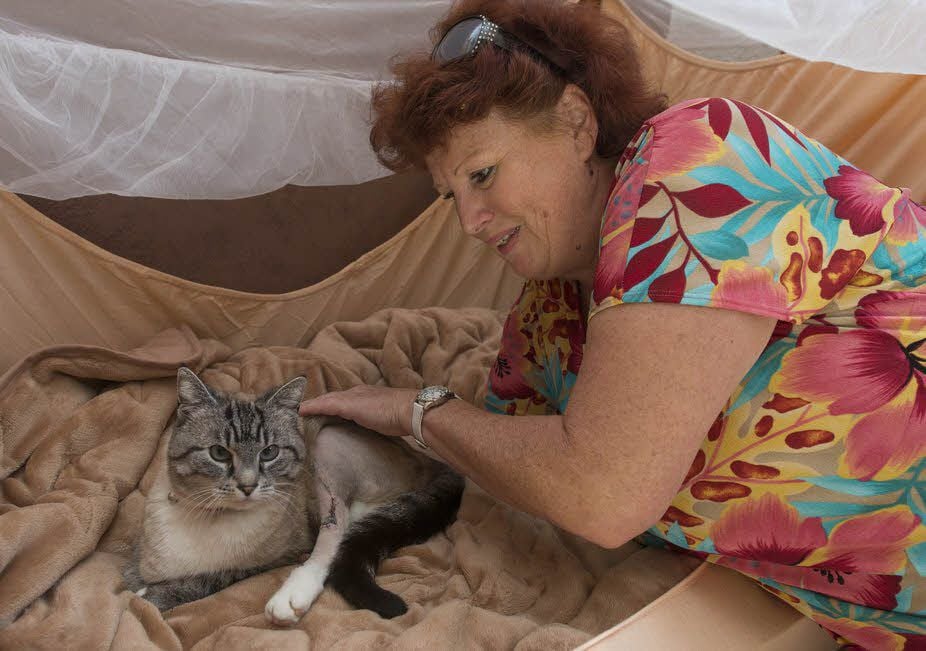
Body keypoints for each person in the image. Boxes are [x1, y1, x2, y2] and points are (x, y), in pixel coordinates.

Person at [298, 0, 926, 646]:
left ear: (576, 122)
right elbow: (508, 460)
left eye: (483, 175)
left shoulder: (697, 157)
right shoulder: (544, 325)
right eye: (450, 195)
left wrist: (419, 411)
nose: (469, 221)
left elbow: (602, 493)